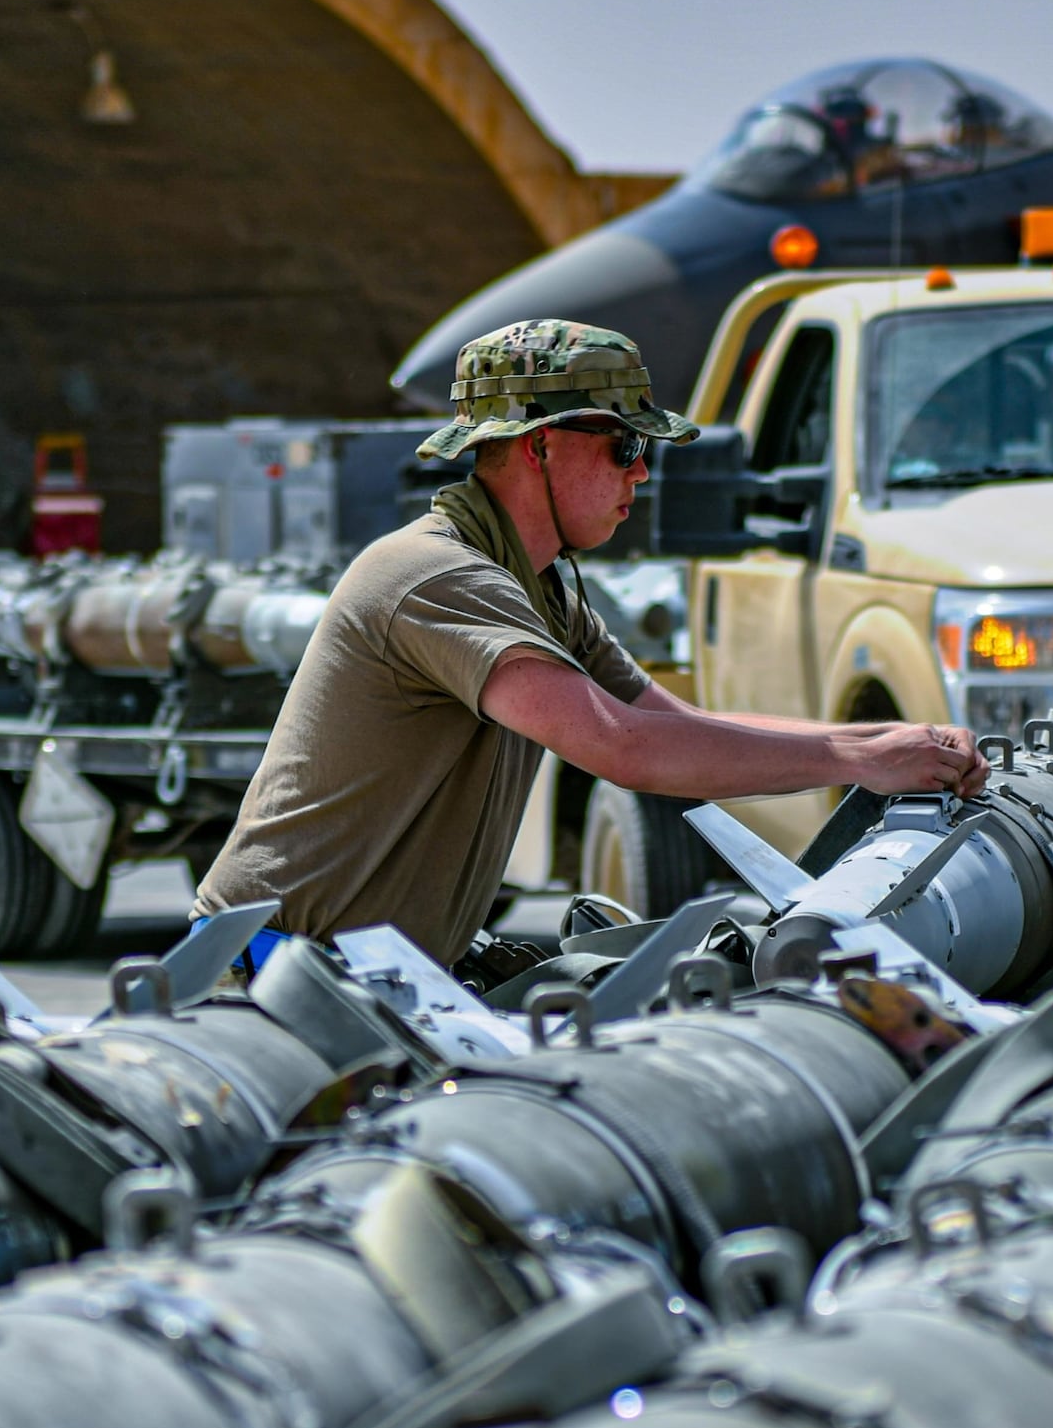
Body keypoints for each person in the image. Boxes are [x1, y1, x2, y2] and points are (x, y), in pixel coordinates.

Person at [195, 317, 985, 971]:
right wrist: (858, 762)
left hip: (355, 978)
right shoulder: (435, 576)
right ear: (538, 444)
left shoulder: (543, 588)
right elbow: (625, 747)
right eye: (625, 446)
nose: (640, 474)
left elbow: (678, 728)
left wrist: (884, 743)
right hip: (269, 975)